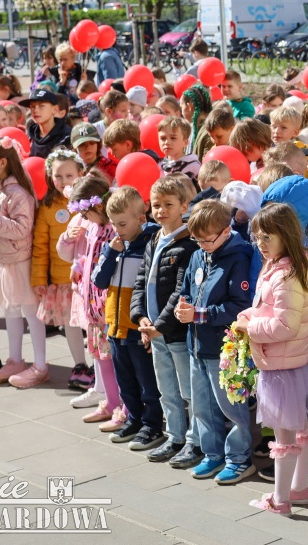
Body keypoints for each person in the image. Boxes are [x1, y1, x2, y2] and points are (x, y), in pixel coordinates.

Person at [238, 202, 308, 514]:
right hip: (286, 362)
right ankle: (299, 489)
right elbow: (269, 309)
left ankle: (280, 499)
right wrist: (247, 316)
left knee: (285, 436)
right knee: (300, 428)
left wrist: (251, 327)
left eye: (266, 237)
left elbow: (284, 325)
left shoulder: (285, 273)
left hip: (281, 365)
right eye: (257, 237)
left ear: (285, 236)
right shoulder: (279, 266)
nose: (260, 244)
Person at [175, 199, 256, 481]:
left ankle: (240, 458)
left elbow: (239, 306)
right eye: (196, 240)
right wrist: (182, 306)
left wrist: (200, 314)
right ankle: (213, 455)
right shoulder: (200, 254)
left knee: (231, 407)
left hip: (224, 348)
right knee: (202, 407)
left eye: (206, 240)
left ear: (225, 231)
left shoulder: (238, 258)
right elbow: (186, 287)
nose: (201, 245)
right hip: (197, 345)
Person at [129, 176, 199, 463]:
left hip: (176, 334)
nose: (161, 211)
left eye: (168, 205)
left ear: (184, 206)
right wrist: (140, 317)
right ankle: (175, 437)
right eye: (156, 205)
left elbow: (182, 292)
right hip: (155, 332)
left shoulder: (188, 245)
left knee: (189, 391)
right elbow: (141, 281)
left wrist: (159, 326)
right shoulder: (154, 238)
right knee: (166, 390)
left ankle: (196, 441)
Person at [92, 186, 165, 451]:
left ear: (141, 218)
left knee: (147, 381)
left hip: (137, 326)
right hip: (115, 325)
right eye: (113, 224)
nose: (117, 229)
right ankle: (133, 418)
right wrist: (111, 253)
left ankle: (152, 424)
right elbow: (99, 280)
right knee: (126, 381)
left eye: (123, 223)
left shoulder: (150, 244)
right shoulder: (114, 246)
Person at [0, 135, 45, 387]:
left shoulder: (17, 192)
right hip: (2, 261)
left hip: (20, 261)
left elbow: (22, 229)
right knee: (11, 311)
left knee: (30, 312)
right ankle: (15, 359)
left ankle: (41, 364)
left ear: (3, 162)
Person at [32, 148, 90, 389]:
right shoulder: (47, 207)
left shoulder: (90, 202)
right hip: (61, 279)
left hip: (86, 279)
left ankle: (99, 367)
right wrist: (38, 279)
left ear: (80, 174)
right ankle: (80, 365)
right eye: (58, 176)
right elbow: (40, 246)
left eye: (69, 176)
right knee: (70, 324)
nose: (63, 182)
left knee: (89, 323)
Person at [22, 85, 71, 159]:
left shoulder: (67, 136)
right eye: (32, 107)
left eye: (41, 106)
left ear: (54, 109)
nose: (35, 110)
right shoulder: (30, 135)